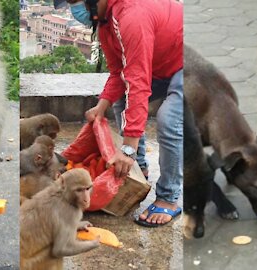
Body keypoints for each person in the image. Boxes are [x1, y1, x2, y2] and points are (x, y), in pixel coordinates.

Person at [54, 0, 183, 227]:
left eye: (75, 2)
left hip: (185, 63)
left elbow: (138, 83)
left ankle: (169, 198)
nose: (75, 11)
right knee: (120, 101)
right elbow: (119, 73)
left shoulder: (132, 16)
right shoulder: (106, 24)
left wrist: (127, 148)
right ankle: (138, 169)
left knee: (169, 119)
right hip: (160, 64)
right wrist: (101, 106)